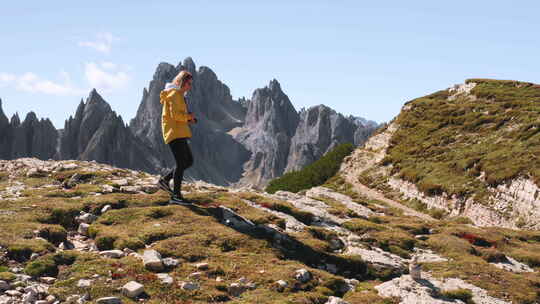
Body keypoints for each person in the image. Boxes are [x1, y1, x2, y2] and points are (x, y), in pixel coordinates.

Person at [157, 70, 197, 205]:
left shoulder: (179, 95)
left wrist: (189, 119)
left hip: (179, 131)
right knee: (181, 163)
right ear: (182, 82)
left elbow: (178, 115)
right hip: (173, 132)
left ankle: (164, 180)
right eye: (188, 83)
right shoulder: (174, 94)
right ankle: (176, 196)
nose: (190, 87)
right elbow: (175, 116)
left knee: (188, 161)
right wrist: (188, 117)